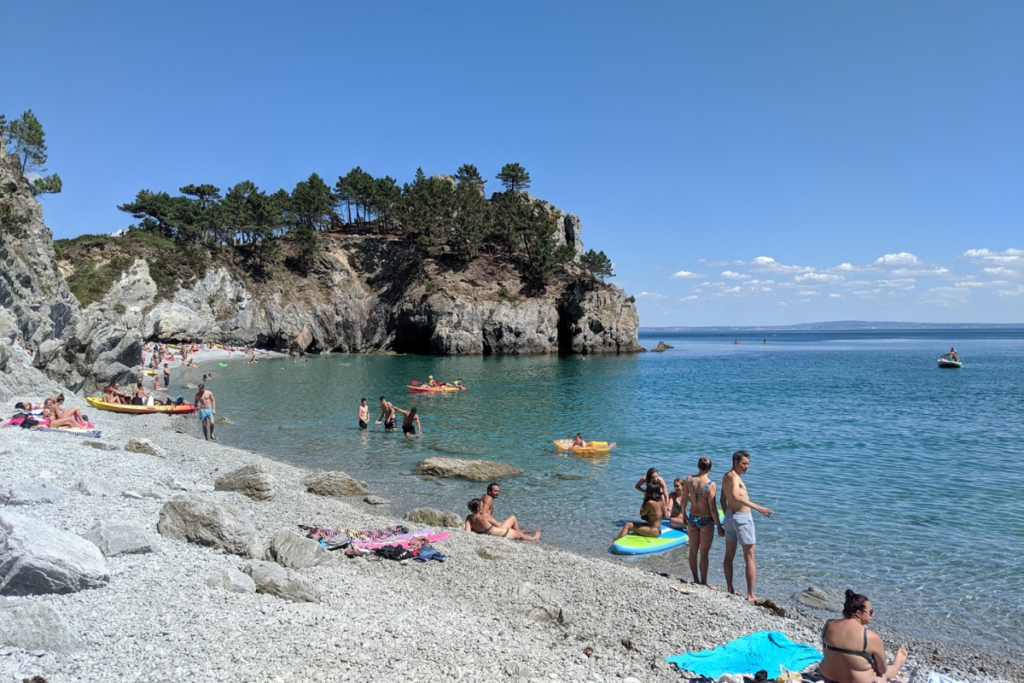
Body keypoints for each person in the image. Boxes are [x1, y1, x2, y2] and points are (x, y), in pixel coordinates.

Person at [819, 590, 908, 683]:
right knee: (883, 674)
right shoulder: (870, 637)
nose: (872, 615)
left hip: (828, 679)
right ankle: (897, 664)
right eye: (870, 612)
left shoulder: (828, 625)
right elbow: (882, 670)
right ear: (858, 613)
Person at [721, 450, 773, 600]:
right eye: (744, 463)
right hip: (743, 518)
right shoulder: (734, 477)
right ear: (735, 462)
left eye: (748, 464)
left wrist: (726, 517)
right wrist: (758, 507)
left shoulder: (726, 476)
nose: (746, 467)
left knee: (729, 556)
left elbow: (722, 500)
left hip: (730, 517)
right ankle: (750, 594)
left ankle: (730, 588)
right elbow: (736, 496)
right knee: (749, 558)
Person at [682, 457, 725, 586]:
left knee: (693, 551)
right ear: (710, 468)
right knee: (704, 553)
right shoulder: (711, 485)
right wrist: (719, 525)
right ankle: (704, 582)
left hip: (693, 517)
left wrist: (684, 514)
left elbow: (684, 500)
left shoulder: (689, 480)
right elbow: (712, 508)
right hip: (706, 520)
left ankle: (696, 579)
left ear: (698, 466)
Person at [464, 498, 540, 541]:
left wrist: (477, 529)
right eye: (482, 506)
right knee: (521, 535)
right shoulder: (485, 516)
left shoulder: (469, 518)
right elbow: (497, 525)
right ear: (478, 508)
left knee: (519, 533)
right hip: (503, 533)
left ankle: (520, 530)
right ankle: (534, 537)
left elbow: (467, 532)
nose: (483, 507)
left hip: (491, 533)